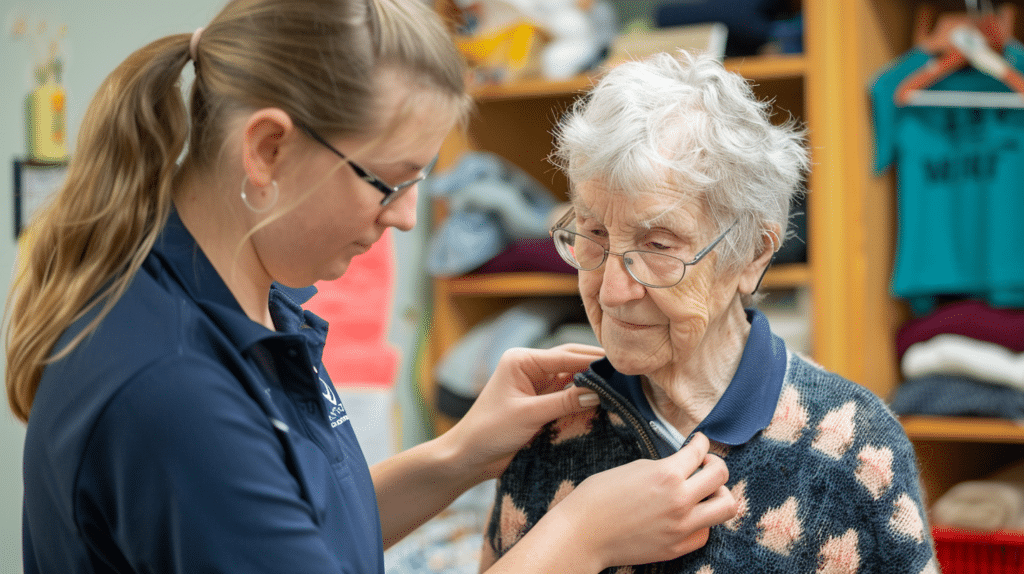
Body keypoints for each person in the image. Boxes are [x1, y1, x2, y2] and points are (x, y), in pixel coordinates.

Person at [3, 1, 738, 572]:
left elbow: (299, 531)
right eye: (388, 182)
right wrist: (581, 536)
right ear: (267, 150)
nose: (409, 218)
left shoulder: (251, 307)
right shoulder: (172, 392)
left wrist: (461, 455)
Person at [481, 50, 941, 573]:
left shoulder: (855, 449)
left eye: (658, 245)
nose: (611, 291)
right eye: (594, 233)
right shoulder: (552, 426)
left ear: (753, 254)